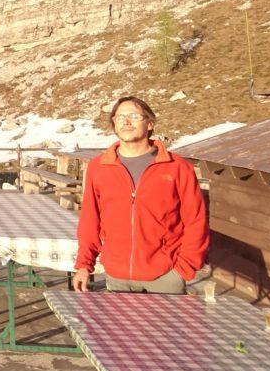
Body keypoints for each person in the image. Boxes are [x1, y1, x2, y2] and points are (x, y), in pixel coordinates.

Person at [73, 96, 208, 293]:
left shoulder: (177, 167)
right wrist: (84, 265)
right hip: (116, 276)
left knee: (166, 326)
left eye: (134, 116)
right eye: (120, 117)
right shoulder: (98, 167)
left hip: (166, 276)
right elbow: (89, 220)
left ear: (150, 123)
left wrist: (183, 268)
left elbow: (196, 221)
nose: (126, 122)